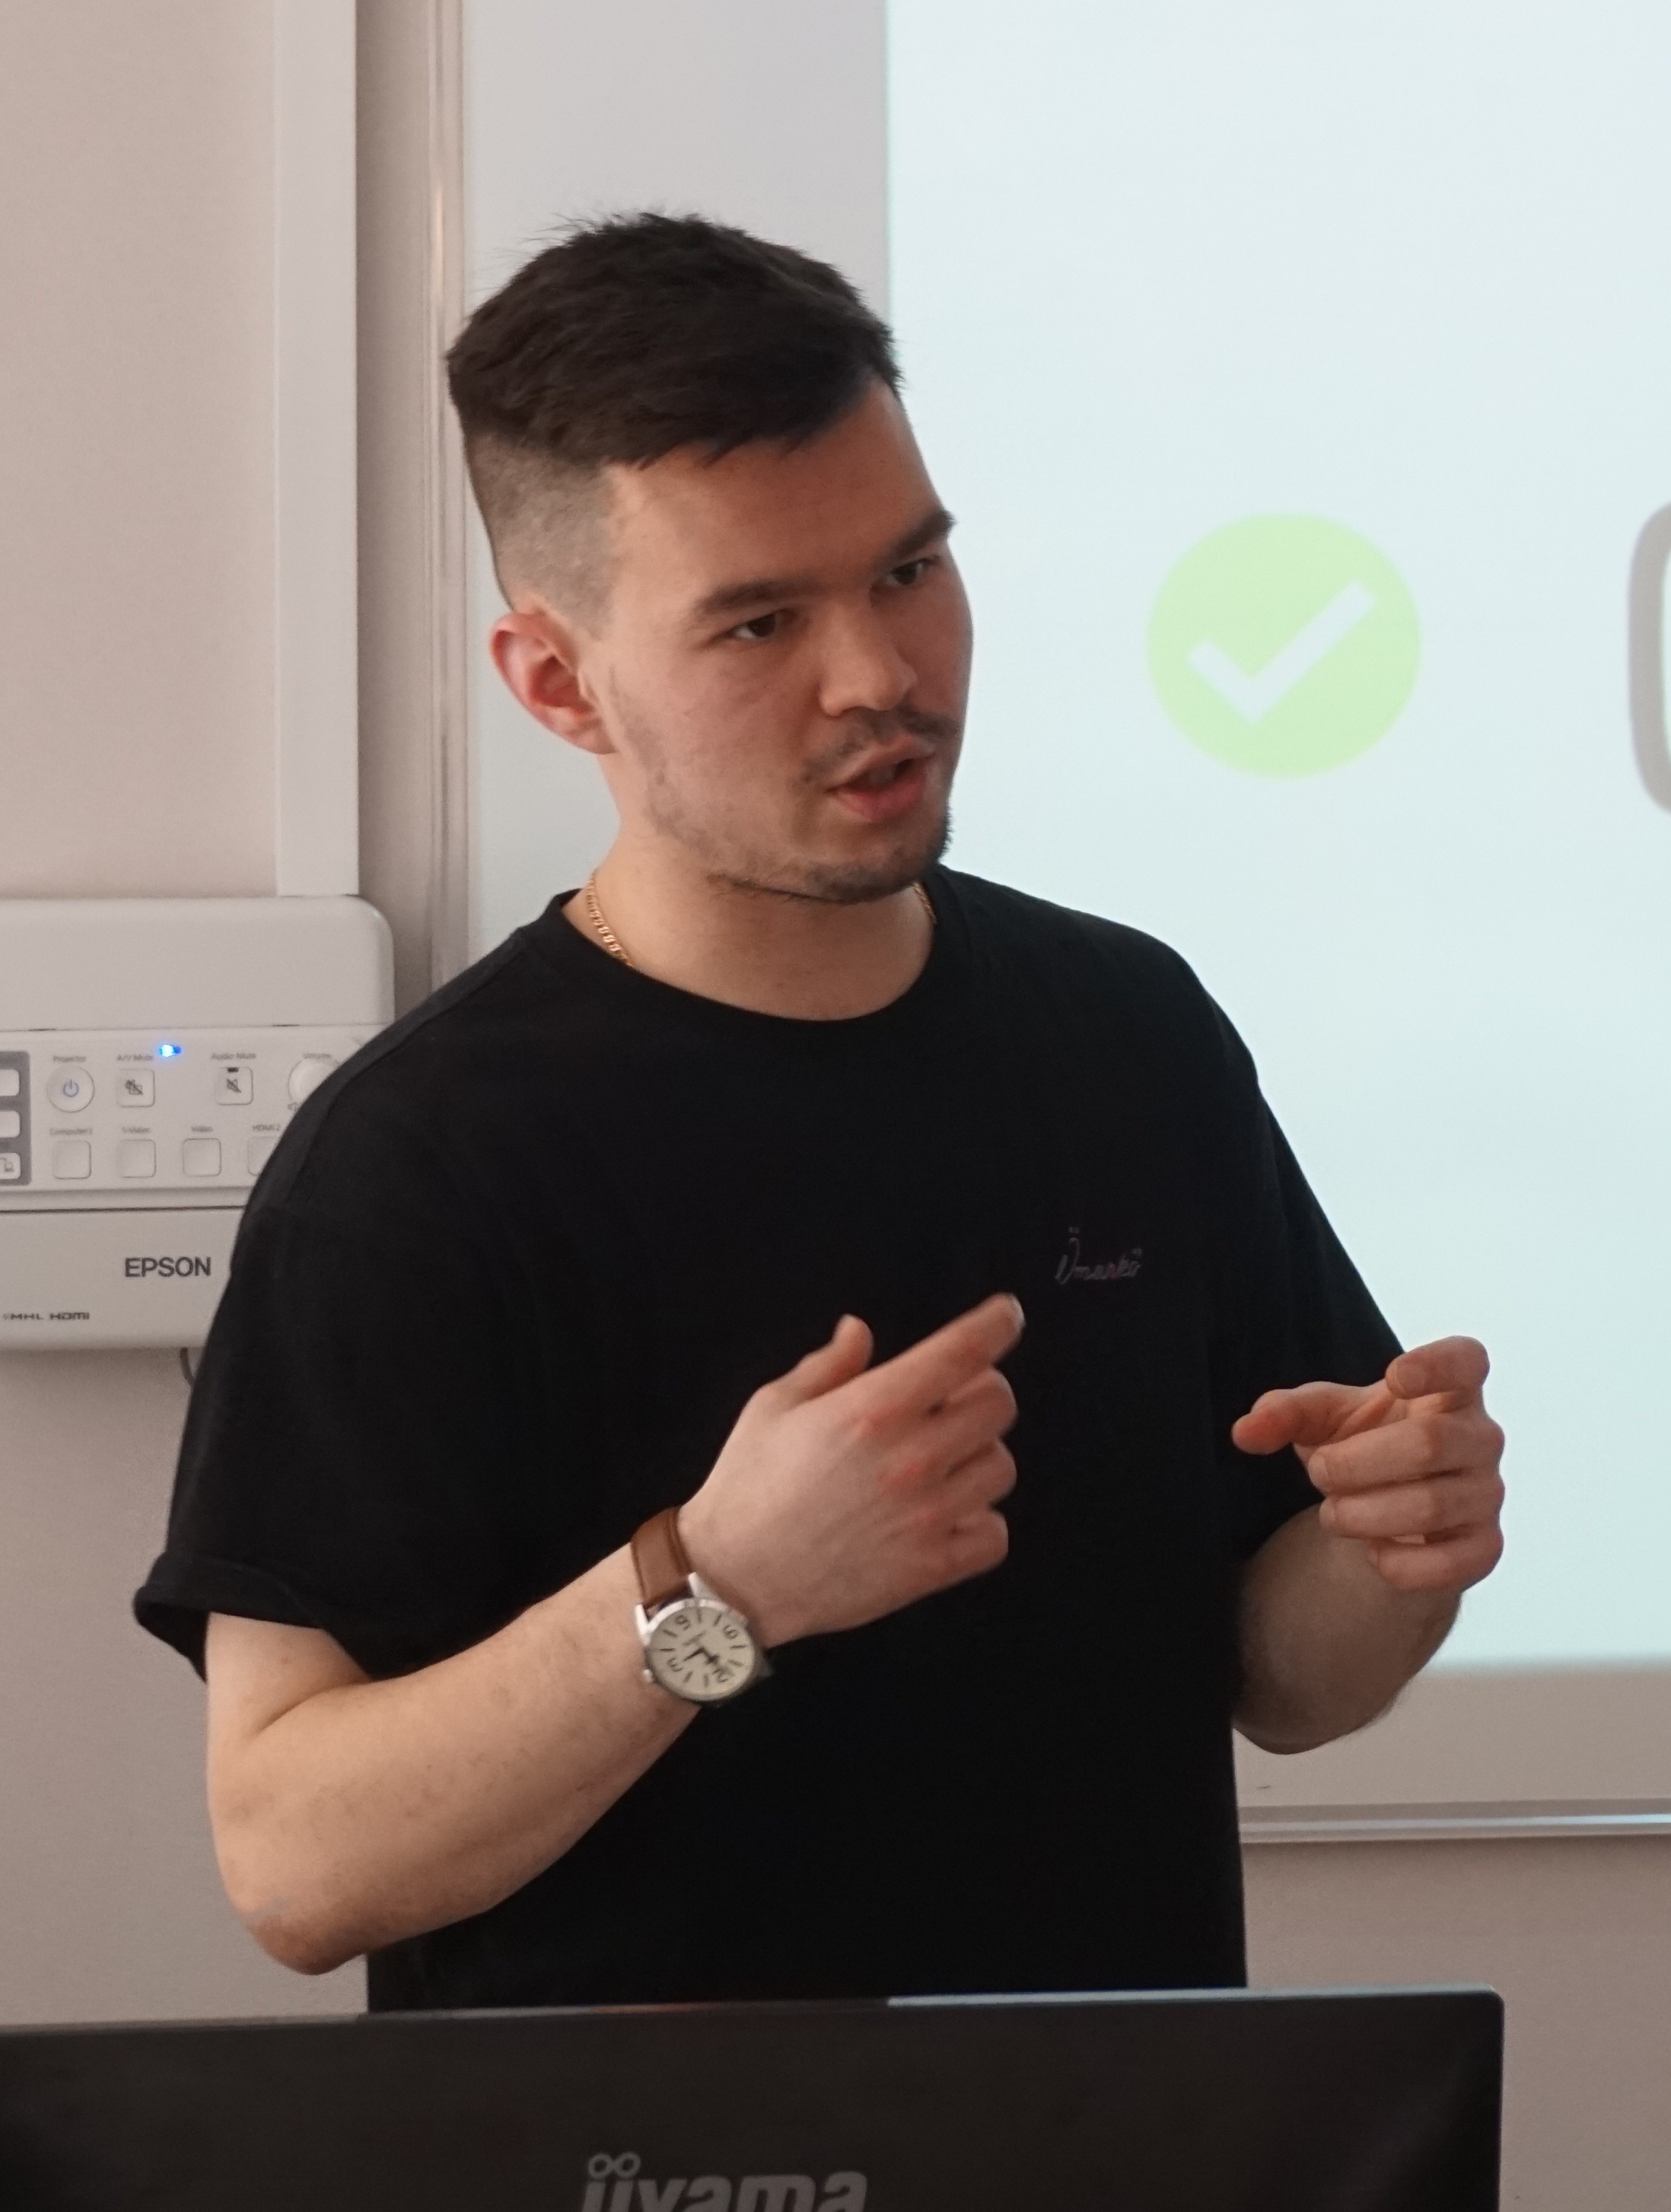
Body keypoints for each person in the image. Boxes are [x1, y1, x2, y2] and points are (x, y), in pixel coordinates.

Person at [135, 213, 1505, 2010]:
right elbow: (297, 1864)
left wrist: (1396, 1546)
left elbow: (1280, 1678)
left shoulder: (1128, 1032)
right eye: (761, 620)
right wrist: (718, 1586)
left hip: (1118, 2127)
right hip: (634, 2146)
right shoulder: (419, 1165)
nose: (881, 674)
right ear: (557, 682)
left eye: (909, 567)